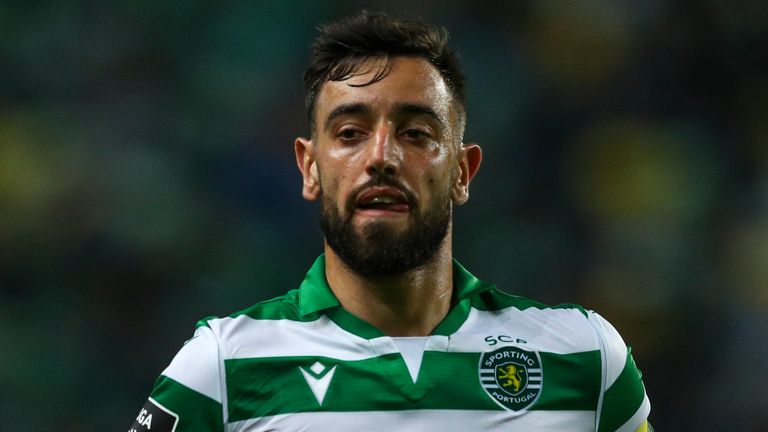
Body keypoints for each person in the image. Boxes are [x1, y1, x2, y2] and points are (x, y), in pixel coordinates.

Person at [129, 11, 651, 432]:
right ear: (310, 168)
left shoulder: (584, 358)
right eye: (351, 132)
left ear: (462, 173)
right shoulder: (222, 368)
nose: (382, 156)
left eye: (416, 133)